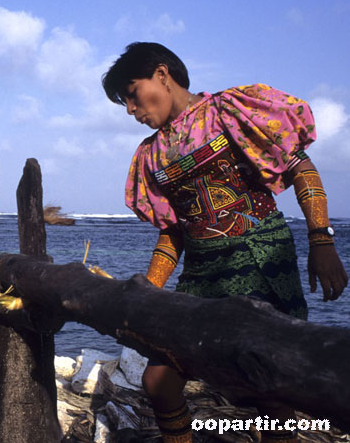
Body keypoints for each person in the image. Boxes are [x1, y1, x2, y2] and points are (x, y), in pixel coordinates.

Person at [102, 42, 347, 443]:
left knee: (271, 389)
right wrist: (148, 291)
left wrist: (321, 240)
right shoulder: (151, 154)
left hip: (262, 261)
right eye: (126, 104)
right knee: (159, 382)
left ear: (162, 74)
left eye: (132, 95)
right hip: (201, 275)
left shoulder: (230, 110)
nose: (131, 110)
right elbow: (173, 231)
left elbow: (299, 165)